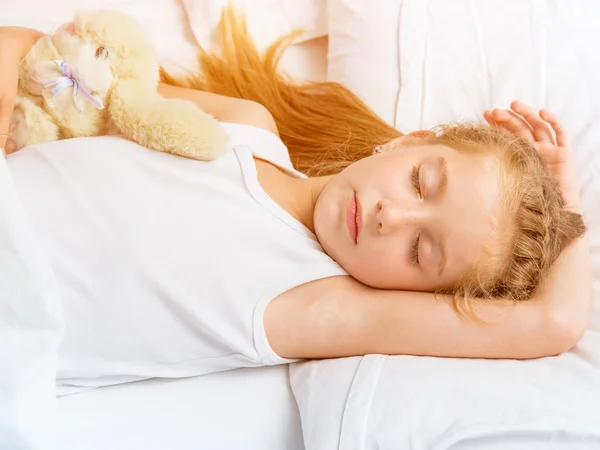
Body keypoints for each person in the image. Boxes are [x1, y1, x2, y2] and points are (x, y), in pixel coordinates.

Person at [0, 11, 591, 393]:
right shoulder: (245, 127)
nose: (393, 217)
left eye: (420, 251)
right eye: (420, 182)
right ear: (410, 141)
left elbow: (550, 323)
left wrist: (566, 211)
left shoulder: (315, 303)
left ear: (416, 296)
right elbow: (46, 65)